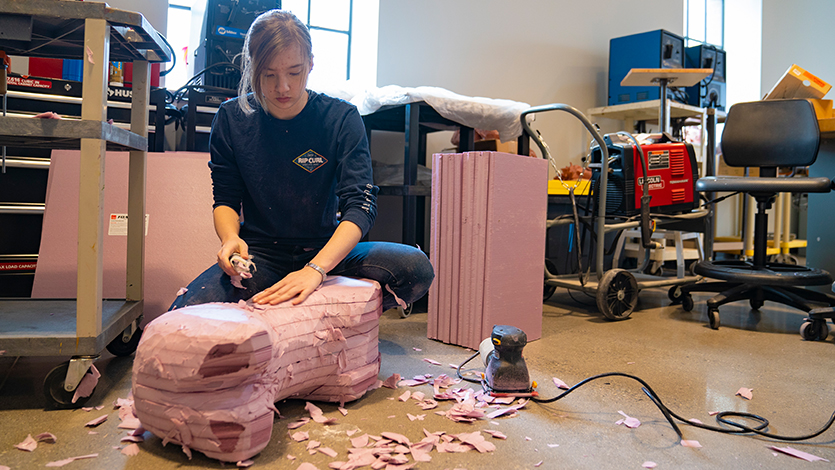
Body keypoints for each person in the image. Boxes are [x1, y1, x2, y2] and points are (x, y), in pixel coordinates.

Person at [171, 9, 434, 312]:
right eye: (268, 75)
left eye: (294, 73)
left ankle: (317, 311)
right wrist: (230, 238)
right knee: (184, 312)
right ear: (252, 67)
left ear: (310, 64)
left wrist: (316, 270)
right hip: (260, 256)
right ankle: (303, 310)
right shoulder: (232, 119)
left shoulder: (341, 118)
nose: (282, 87)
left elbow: (361, 205)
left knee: (415, 269)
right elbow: (226, 198)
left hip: (329, 253)